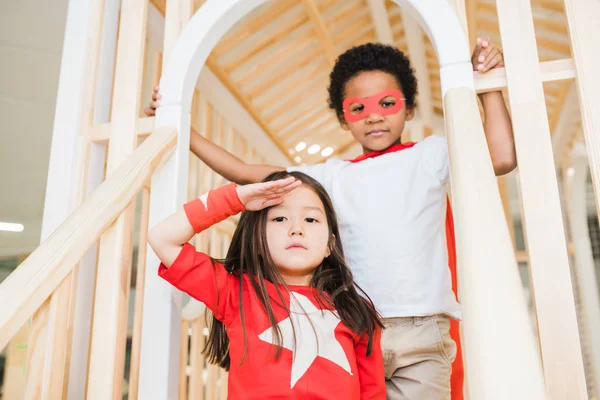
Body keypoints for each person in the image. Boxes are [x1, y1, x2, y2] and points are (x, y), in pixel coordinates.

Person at [146, 37, 514, 399]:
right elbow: (245, 171)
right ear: (343, 119)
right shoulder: (331, 176)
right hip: (347, 323)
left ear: (410, 108)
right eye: (358, 108)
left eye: (387, 103)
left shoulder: (431, 155)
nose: (374, 115)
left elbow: (500, 157)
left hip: (420, 330)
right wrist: (183, 130)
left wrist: (488, 85)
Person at [148, 171, 386, 399]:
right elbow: (162, 238)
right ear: (257, 240)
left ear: (329, 245)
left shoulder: (355, 310)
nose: (296, 229)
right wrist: (236, 199)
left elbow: (372, 393)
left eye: (311, 219)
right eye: (279, 218)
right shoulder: (235, 293)